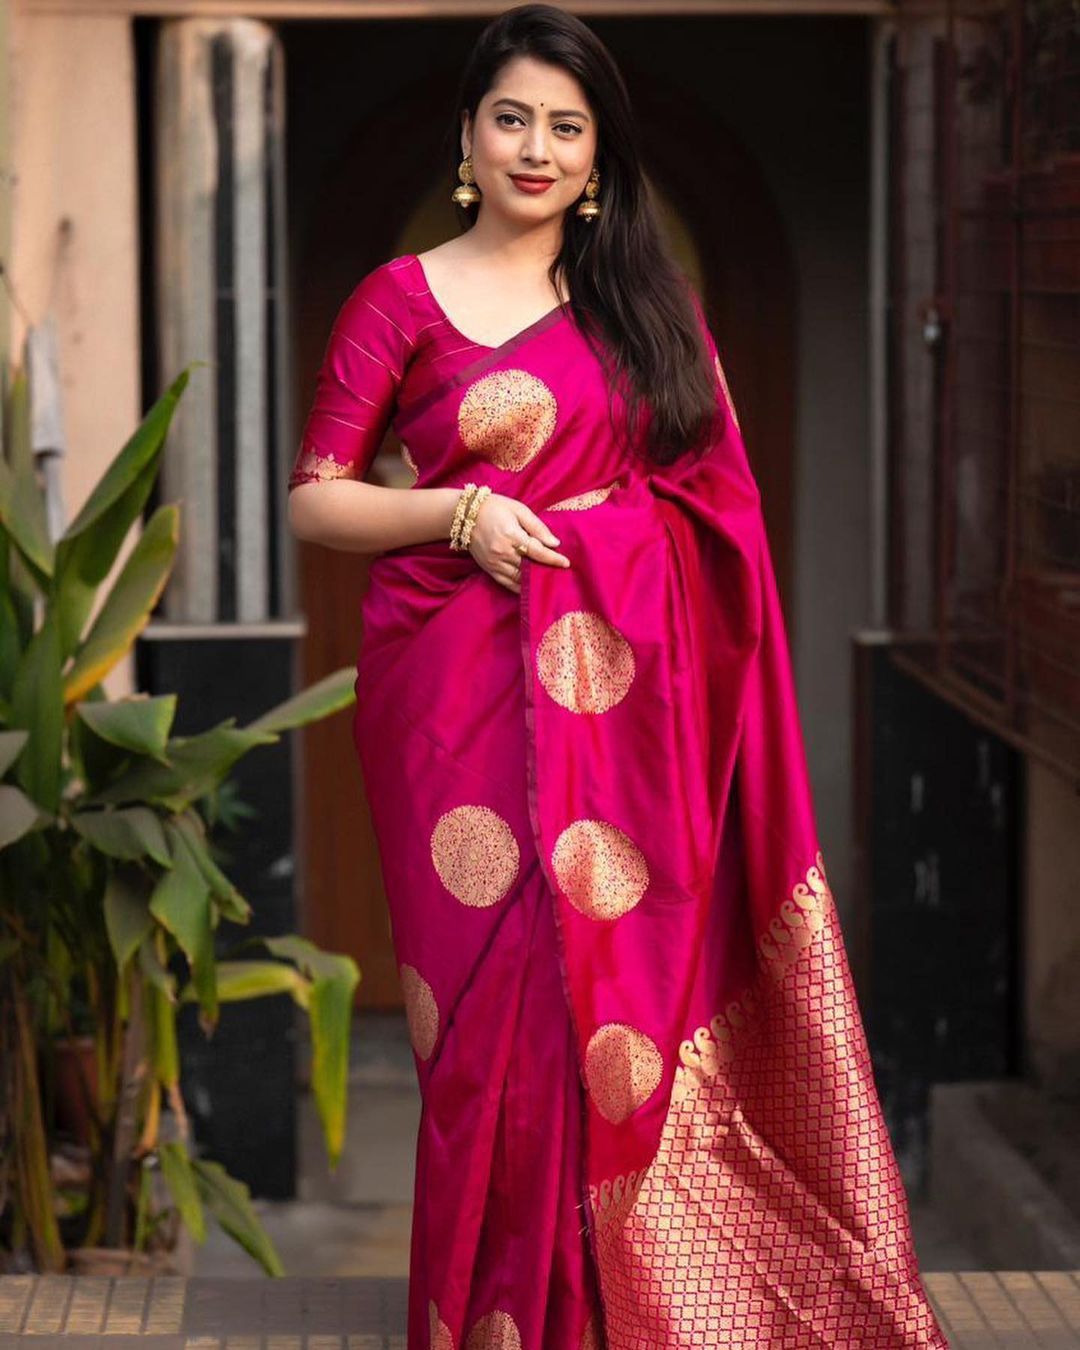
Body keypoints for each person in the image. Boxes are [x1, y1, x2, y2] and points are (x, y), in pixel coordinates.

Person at [286, 6, 951, 1348]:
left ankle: (604, 1312)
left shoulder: (648, 310)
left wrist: (596, 541)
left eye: (568, 127)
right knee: (485, 1023)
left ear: (598, 159)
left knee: (596, 1005)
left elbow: (718, 513)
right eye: (515, 118)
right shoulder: (397, 300)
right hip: (447, 701)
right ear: (469, 136)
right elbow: (318, 502)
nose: (539, 146)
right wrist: (457, 516)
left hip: (615, 707)